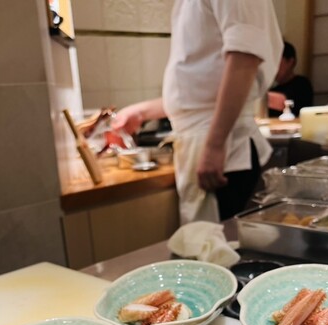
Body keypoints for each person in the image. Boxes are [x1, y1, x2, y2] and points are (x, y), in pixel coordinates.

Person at [111, 1, 283, 224]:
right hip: (203, 139)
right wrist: (142, 112)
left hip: (222, 143)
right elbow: (200, 92)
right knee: (204, 239)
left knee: (212, 241)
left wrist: (214, 145)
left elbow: (245, 58)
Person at [268, 41, 313, 116]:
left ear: (290, 62)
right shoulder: (274, 89)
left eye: (277, 61)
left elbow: (283, 102)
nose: (273, 67)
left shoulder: (302, 84)